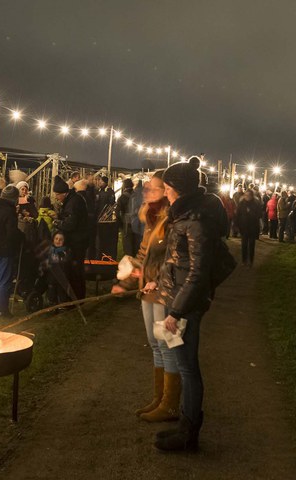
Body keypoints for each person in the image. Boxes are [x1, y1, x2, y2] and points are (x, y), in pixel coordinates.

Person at [155, 160, 219, 452]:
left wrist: (177, 311)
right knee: (184, 365)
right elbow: (175, 262)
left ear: (179, 190)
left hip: (186, 305)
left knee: (188, 368)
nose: (165, 193)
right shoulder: (183, 215)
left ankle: (189, 431)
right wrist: (157, 283)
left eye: (167, 188)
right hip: (178, 298)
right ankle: (184, 425)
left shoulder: (194, 220)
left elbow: (197, 272)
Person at [112, 170, 180, 422]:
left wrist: (158, 280)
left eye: (154, 188)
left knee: (168, 344)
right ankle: (160, 397)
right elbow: (142, 255)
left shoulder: (173, 221)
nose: (148, 192)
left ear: (167, 191)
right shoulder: (151, 220)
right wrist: (128, 282)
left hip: (166, 292)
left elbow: (177, 259)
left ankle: (171, 404)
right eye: (148, 188)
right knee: (154, 343)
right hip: (147, 291)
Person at [0, 186, 23, 317]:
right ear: (13, 198)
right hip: (4, 250)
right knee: (4, 280)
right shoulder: (9, 211)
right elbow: (11, 233)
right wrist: (22, 237)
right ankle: (3, 310)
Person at [52, 175, 89, 299]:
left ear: (63, 194)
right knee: (74, 269)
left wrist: (56, 222)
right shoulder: (73, 199)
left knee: (76, 270)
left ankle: (77, 297)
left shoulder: (73, 203)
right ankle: (74, 296)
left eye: (57, 195)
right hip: (78, 239)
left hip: (77, 241)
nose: (56, 198)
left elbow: (70, 224)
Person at [45, 231, 72, 306]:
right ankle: (51, 302)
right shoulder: (50, 250)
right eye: (56, 239)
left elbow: (66, 262)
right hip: (51, 277)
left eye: (61, 239)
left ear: (64, 241)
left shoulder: (66, 251)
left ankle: (62, 303)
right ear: (53, 240)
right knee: (51, 289)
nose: (58, 241)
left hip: (62, 276)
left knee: (61, 290)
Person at [235, 189, 261, 266]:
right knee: (244, 245)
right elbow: (237, 215)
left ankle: (251, 261)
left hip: (252, 227)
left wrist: (251, 213)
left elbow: (259, 215)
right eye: (246, 195)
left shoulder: (256, 204)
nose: (247, 197)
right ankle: (244, 260)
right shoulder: (241, 203)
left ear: (252, 196)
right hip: (244, 227)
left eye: (249, 195)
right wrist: (236, 225)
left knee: (252, 245)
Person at [115, 178, 136, 256]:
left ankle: (129, 264)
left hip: (127, 224)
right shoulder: (138, 195)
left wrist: (120, 225)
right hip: (138, 223)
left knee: (128, 246)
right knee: (137, 245)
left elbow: (117, 212)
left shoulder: (122, 197)